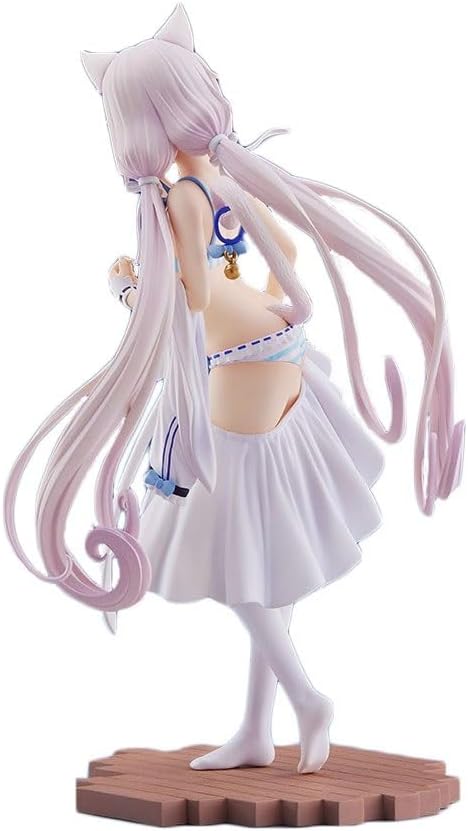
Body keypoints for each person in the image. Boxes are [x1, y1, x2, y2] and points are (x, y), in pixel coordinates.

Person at [4, 4, 463, 775]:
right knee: (268, 549)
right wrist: (289, 309)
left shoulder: (185, 195)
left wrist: (126, 288)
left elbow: (191, 297)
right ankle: (257, 726)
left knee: (235, 554)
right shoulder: (222, 172)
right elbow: (286, 255)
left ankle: (306, 697)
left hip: (241, 370)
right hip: (282, 353)